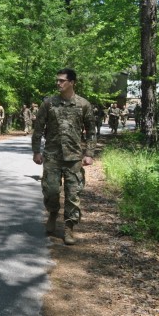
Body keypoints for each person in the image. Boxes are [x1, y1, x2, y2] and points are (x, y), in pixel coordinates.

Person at [32, 68, 95, 245]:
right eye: (57, 80)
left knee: (73, 194)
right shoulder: (49, 103)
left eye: (62, 80)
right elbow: (38, 128)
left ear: (72, 82)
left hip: (74, 157)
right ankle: (52, 213)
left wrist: (89, 153)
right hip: (52, 155)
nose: (58, 83)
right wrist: (36, 151)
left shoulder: (83, 104)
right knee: (51, 190)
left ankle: (69, 227)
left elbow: (91, 131)